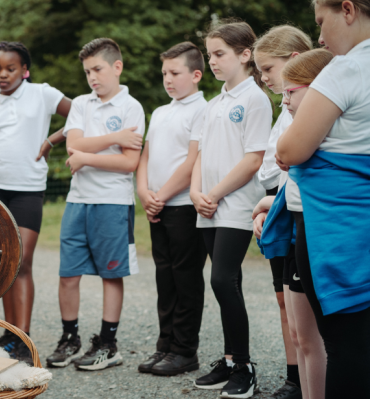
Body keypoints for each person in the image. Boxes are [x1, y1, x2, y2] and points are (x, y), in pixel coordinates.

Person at [276, 1, 370, 396]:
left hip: (339, 233)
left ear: (347, 9)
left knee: (347, 345)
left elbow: (288, 151)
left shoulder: (346, 69)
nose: (319, 37)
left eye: (321, 22)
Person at [0, 41, 72, 365]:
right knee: (5, 266)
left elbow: (83, 113)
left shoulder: (42, 93)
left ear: (24, 70)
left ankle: (24, 342)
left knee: (21, 263)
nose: (3, 74)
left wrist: (53, 139)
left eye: (10, 69)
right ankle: (9, 334)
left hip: (27, 191)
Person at [44, 38, 144, 371]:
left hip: (112, 203)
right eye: (87, 72)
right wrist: (114, 139)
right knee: (68, 274)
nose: (92, 78)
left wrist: (87, 155)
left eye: (97, 69)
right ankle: (69, 338)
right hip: (78, 201)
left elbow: (129, 164)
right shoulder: (81, 105)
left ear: (117, 67)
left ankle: (108, 344)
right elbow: (74, 144)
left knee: (110, 275)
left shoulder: (132, 107)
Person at [190, 21, 272, 398]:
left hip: (236, 205)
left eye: (219, 53)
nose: (213, 61)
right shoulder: (213, 104)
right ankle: (228, 359)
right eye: (209, 55)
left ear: (245, 54)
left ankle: (245, 366)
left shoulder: (254, 99)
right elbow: (201, 154)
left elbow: (254, 159)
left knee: (223, 280)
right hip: (206, 206)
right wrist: (196, 193)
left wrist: (216, 193)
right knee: (225, 285)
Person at [254, 48, 333, 399]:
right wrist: (270, 205)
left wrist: (270, 203)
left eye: (291, 91)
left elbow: (286, 161)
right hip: (294, 232)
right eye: (282, 92)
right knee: (300, 335)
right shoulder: (294, 120)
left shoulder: (323, 131)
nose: (283, 99)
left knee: (315, 340)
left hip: (313, 233)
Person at [135, 42, 208, 376]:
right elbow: (146, 156)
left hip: (183, 207)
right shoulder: (161, 112)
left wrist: (161, 195)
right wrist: (144, 193)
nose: (167, 79)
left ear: (195, 75)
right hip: (157, 206)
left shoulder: (201, 110)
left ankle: (184, 350)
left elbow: (193, 161)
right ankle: (164, 346)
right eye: (164, 72)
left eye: (174, 73)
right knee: (165, 278)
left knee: (185, 279)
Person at [250, 25, 313, 399]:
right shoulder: (284, 108)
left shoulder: (304, 107)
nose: (263, 77)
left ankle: (305, 381)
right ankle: (295, 376)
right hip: (278, 202)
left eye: (268, 69)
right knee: (283, 297)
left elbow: (284, 162)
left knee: (300, 302)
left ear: (292, 61)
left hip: (293, 205)